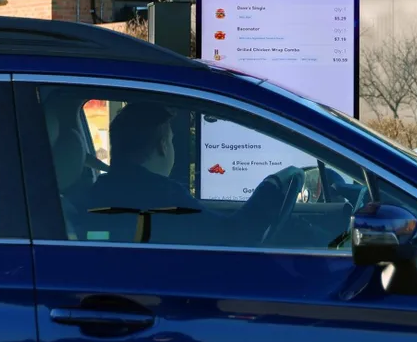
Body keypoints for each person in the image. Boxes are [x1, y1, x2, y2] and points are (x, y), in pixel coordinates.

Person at [77, 103, 309, 246]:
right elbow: (234, 237)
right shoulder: (163, 198)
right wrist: (272, 185)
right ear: (163, 146)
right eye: (171, 140)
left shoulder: (93, 195)